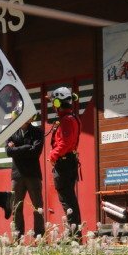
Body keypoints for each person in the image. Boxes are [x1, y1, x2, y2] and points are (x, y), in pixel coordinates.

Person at [5, 113, 45, 238]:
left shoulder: (37, 132)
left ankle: (39, 236)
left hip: (33, 174)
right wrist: (27, 147)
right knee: (16, 207)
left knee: (37, 207)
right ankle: (18, 237)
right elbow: (8, 151)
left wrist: (16, 149)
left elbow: (36, 151)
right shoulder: (11, 132)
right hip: (17, 175)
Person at [49, 86, 82, 235]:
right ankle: (74, 233)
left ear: (57, 103)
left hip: (64, 163)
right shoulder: (71, 118)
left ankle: (73, 235)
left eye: (53, 103)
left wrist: (53, 155)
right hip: (69, 162)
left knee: (67, 199)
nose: (53, 106)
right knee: (69, 198)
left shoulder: (66, 121)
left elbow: (65, 143)